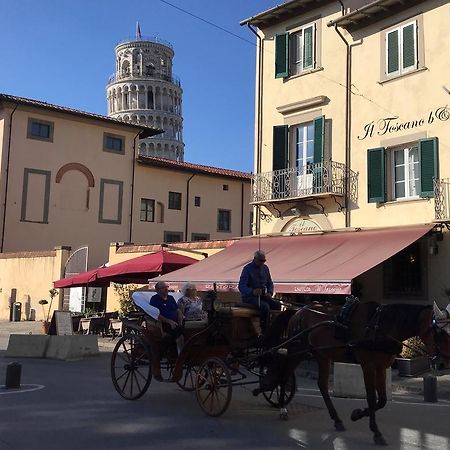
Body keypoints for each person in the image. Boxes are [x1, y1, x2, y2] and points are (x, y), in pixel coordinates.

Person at [238, 250, 280, 333]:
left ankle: (275, 329)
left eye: (264, 261)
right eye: (260, 261)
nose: (262, 263)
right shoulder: (247, 269)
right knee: (265, 307)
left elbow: (269, 283)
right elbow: (241, 286)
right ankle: (264, 330)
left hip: (263, 296)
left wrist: (270, 292)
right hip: (249, 298)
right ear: (255, 259)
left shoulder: (265, 268)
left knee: (277, 305)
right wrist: (252, 291)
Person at [150, 281, 184, 355]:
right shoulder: (154, 299)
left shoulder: (171, 298)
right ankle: (180, 356)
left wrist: (180, 323)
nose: (166, 289)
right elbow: (156, 314)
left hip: (177, 323)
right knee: (179, 333)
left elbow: (178, 311)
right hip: (163, 324)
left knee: (190, 328)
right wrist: (169, 321)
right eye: (163, 288)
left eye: (167, 287)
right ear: (157, 290)